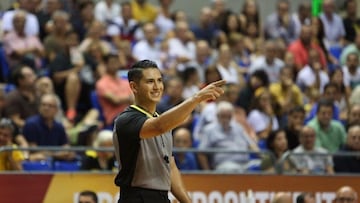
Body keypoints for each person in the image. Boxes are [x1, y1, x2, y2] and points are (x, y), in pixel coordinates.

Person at [113, 59, 225, 203]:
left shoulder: (162, 121)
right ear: (134, 87)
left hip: (161, 196)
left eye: (159, 81)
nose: (157, 86)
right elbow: (158, 126)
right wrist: (196, 98)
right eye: (150, 82)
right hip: (136, 196)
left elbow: (170, 166)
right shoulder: (127, 119)